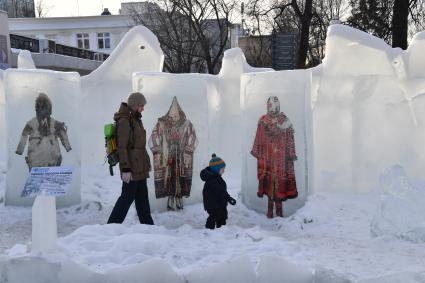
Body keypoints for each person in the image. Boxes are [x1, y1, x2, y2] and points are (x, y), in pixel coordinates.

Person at [107, 92, 154, 225]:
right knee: (127, 197)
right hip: (131, 168)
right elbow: (122, 147)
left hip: (139, 167)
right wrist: (126, 168)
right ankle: (111, 226)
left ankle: (148, 225)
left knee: (142, 198)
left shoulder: (135, 118)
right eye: (141, 106)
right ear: (134, 105)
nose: (143, 108)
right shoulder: (124, 121)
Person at [251, 96, 298, 218]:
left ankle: (279, 212)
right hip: (267, 159)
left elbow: (290, 140)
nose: (272, 108)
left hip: (281, 160)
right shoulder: (263, 120)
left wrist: (290, 154)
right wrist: (259, 154)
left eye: (273, 105)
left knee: (280, 186)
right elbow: (259, 138)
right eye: (270, 105)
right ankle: (269, 211)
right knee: (268, 184)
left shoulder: (284, 120)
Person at [201, 154, 236, 229]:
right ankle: (210, 231)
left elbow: (222, 191)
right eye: (222, 169)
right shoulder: (213, 180)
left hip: (217, 203)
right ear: (216, 169)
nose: (224, 170)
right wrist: (228, 198)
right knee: (215, 217)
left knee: (220, 216)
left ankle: (219, 230)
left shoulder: (215, 178)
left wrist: (228, 198)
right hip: (214, 204)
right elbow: (221, 192)